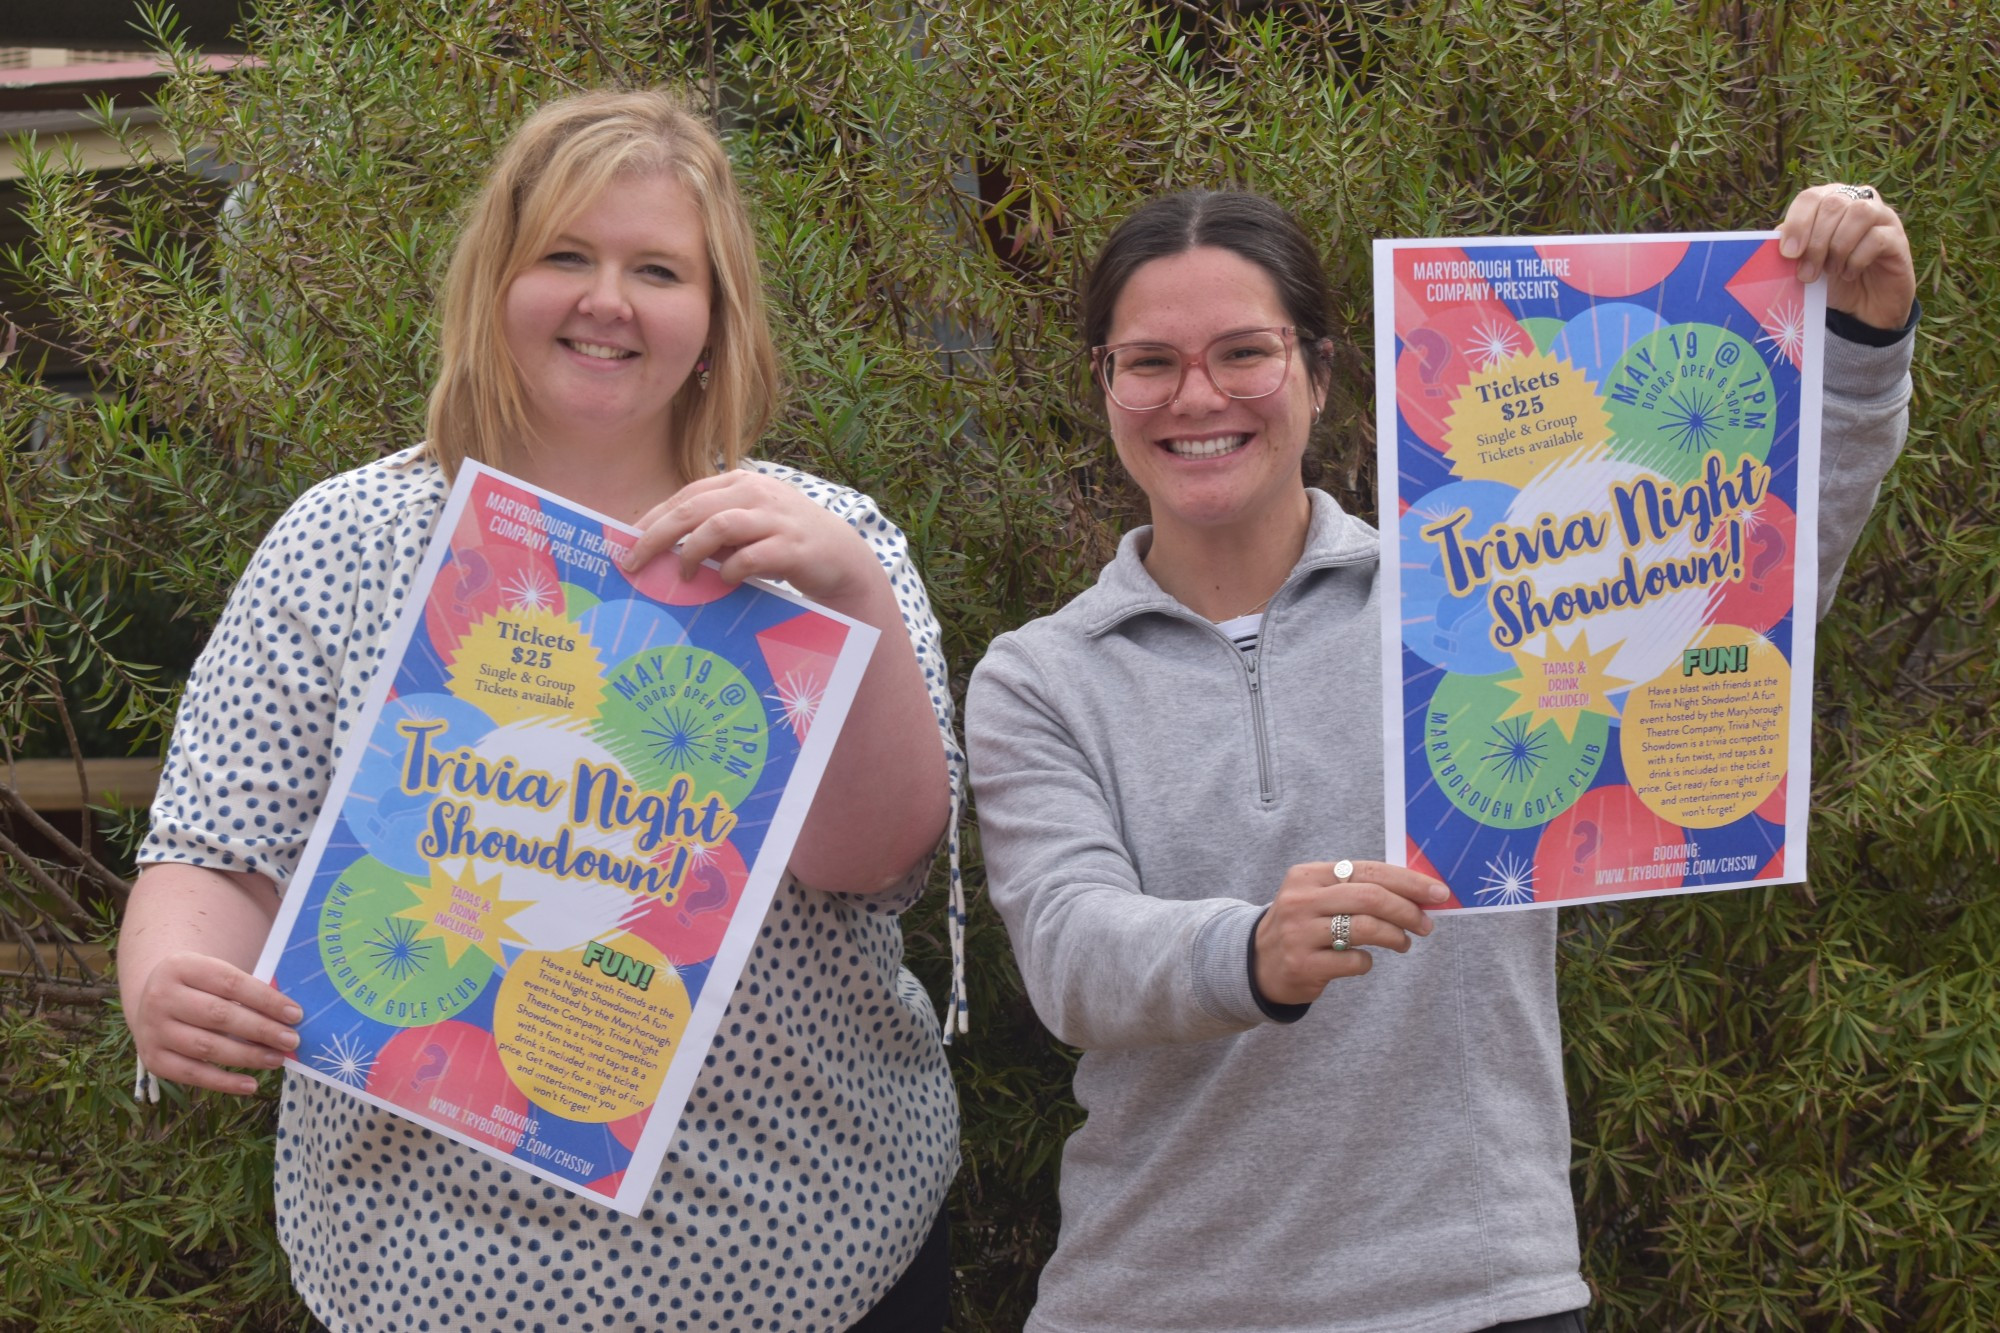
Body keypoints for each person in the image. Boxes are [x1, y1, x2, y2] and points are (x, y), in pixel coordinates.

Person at [965, 183, 1916, 1333]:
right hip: (1151, 1300)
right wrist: (1251, 948)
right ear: (1105, 387)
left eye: (1242, 352)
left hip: (1474, 1292)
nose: (1196, 395)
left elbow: (1741, 576)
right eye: (1148, 360)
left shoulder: (1480, 597)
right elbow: (1070, 953)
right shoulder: (1040, 673)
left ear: (1318, 373)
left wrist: (1860, 350)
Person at [118, 87, 963, 1333]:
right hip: (425, 1273)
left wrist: (837, 598)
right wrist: (170, 975)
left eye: (657, 268)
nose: (606, 299)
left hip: (799, 1251)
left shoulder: (816, 544)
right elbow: (217, 839)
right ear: (490, 287)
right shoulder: (344, 539)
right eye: (563, 255)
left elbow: (869, 857)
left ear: (715, 316)